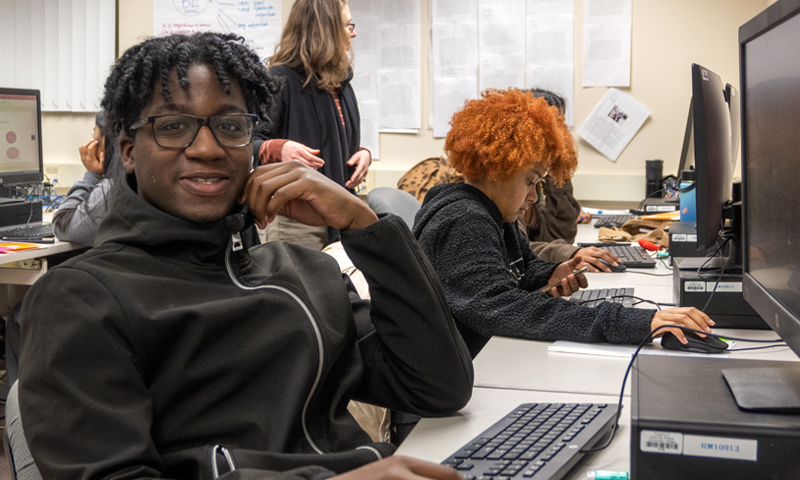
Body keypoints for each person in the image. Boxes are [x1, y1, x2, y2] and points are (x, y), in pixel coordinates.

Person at [17, 32, 472, 479]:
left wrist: (364, 225)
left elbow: (439, 386)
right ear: (129, 153)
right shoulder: (81, 299)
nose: (207, 148)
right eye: (174, 126)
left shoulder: (303, 273)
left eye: (230, 126)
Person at [413, 88, 714, 358]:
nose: (533, 196)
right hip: (453, 380)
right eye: (530, 182)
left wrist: (550, 274)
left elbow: (522, 268)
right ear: (496, 168)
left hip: (485, 357)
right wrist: (634, 322)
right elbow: (501, 307)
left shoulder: (495, 214)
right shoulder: (465, 220)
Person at [254, 0, 371, 249]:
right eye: (347, 24)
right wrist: (276, 147)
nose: (354, 32)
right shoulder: (280, 79)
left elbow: (334, 141)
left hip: (340, 217)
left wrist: (362, 153)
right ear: (325, 28)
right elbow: (245, 144)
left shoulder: (340, 83)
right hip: (298, 224)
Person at [519, 89, 618, 273]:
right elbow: (516, 251)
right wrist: (570, 254)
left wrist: (558, 173)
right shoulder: (510, 183)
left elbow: (562, 236)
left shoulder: (542, 178)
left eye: (562, 127)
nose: (561, 136)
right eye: (553, 127)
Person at [52, 111, 122, 246]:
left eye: (94, 136)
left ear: (107, 143)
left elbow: (61, 226)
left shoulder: (111, 189)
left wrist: (92, 175)